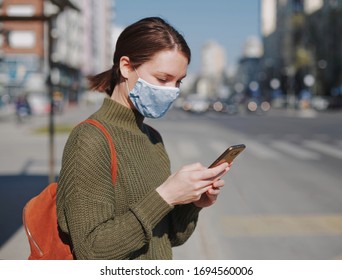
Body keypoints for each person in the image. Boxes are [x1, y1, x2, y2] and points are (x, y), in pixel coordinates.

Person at [56, 17, 231, 260]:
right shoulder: (89, 139)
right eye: (162, 79)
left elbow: (168, 238)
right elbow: (92, 251)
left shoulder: (153, 138)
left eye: (178, 81)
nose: (172, 91)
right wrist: (166, 195)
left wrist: (192, 203)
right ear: (126, 67)